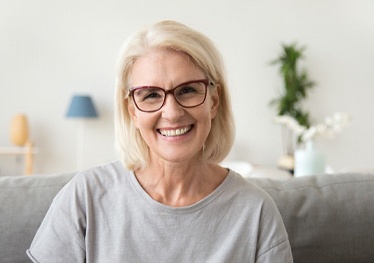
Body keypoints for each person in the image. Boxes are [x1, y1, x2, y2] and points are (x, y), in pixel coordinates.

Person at [27, 20, 293, 262]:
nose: (172, 113)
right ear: (132, 109)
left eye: (187, 90)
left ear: (214, 101)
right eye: (151, 95)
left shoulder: (256, 212)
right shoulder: (84, 197)